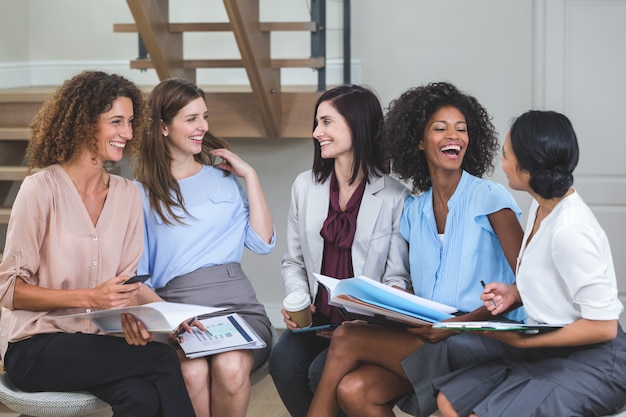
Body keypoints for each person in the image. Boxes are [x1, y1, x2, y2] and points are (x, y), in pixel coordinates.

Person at [305, 81, 526, 417]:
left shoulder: (489, 198)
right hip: (432, 335)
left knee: (347, 337)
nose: (454, 136)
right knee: (355, 391)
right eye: (441, 128)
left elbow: (527, 284)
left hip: (485, 339)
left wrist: (456, 325)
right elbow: (407, 285)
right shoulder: (414, 210)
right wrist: (383, 315)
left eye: (461, 129)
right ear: (420, 142)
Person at [0, 70, 196, 417]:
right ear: (84, 123)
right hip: (35, 347)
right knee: (163, 359)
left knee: (141, 397)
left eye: (131, 122)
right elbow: (9, 290)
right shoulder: (40, 190)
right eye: (116, 121)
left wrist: (162, 316)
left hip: (92, 344)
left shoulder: (127, 195)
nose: (128, 133)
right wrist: (89, 298)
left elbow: (125, 285)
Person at [434, 110, 626, 417]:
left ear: (528, 167)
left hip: (596, 362)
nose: (502, 163)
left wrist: (524, 344)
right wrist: (514, 292)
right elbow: (554, 282)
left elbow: (603, 328)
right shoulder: (541, 205)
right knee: (448, 401)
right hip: (550, 348)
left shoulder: (570, 230)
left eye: (506, 155)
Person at [134, 77, 275, 417]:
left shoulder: (224, 178)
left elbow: (261, 242)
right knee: (192, 371)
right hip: (178, 312)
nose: (203, 127)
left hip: (238, 306)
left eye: (205, 117)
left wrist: (250, 177)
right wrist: (173, 318)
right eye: (191, 118)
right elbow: (136, 279)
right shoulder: (140, 193)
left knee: (229, 368)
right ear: (164, 126)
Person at [268, 84, 411, 417]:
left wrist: (375, 315)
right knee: (283, 361)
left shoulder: (395, 197)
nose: (317, 132)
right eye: (317, 123)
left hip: (365, 328)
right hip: (315, 322)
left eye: (327, 122)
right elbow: (293, 261)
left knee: (321, 373)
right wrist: (297, 301)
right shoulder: (305, 186)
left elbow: (398, 279)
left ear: (357, 125)